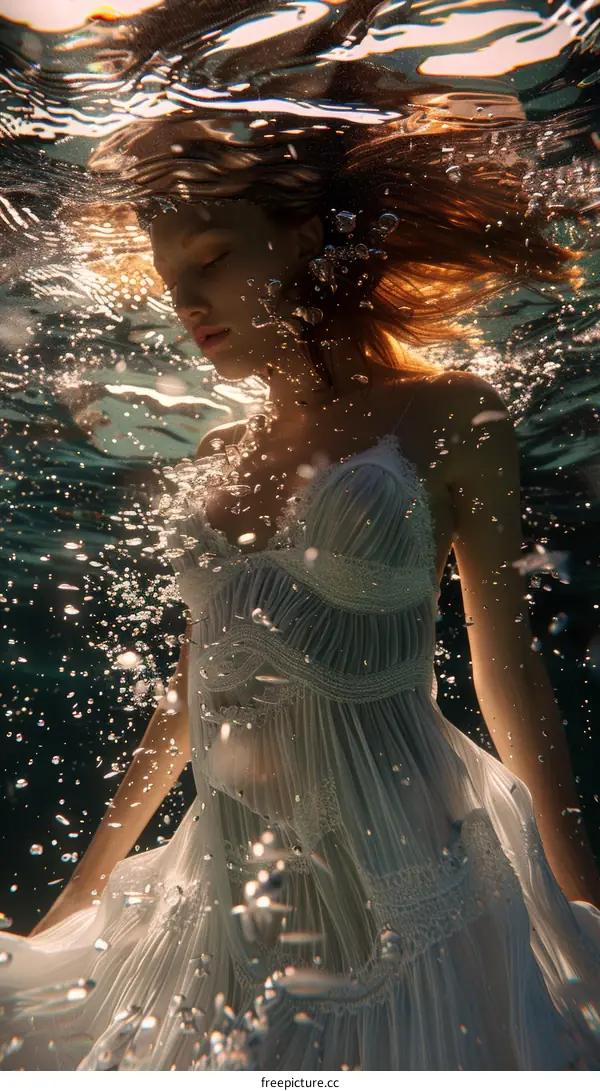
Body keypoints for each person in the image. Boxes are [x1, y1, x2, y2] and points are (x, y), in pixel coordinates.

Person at [2, 112, 600, 1071]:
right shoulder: (213, 455)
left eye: (211, 255)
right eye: (170, 278)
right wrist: (79, 897)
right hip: (233, 887)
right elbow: (190, 697)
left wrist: (584, 901)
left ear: (307, 235)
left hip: (415, 876)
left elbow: (506, 665)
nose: (187, 299)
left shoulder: (448, 410)